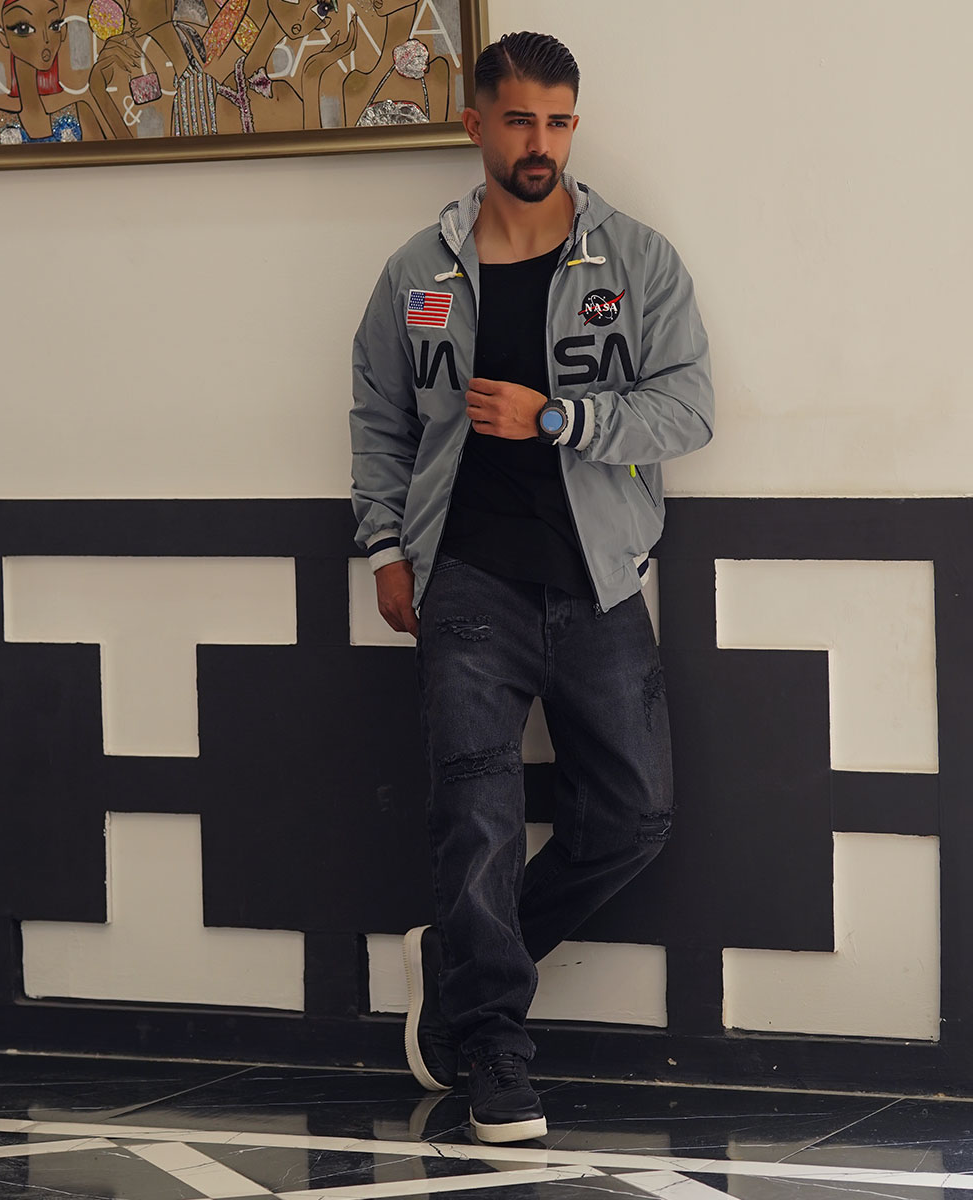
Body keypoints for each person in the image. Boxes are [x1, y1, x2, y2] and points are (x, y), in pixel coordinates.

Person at [349, 30, 713, 1145]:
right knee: (477, 818)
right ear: (477, 125)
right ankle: (496, 1050)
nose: (541, 142)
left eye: (558, 121)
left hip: (599, 579)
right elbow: (380, 419)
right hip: (466, 583)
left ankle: (462, 964)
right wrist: (386, 548)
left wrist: (561, 417)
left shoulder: (635, 261)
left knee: (637, 816)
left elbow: (689, 409)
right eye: (519, 120)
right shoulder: (418, 275)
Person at [0, 0, 105, 145]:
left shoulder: (81, 114)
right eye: (23, 29)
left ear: (63, 31)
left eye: (54, 26)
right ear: (3, 37)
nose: (45, 39)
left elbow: (115, 152)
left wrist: (101, 93)